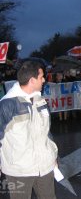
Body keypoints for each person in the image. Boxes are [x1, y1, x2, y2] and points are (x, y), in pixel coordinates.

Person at [0, 61, 58, 199]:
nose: (44, 80)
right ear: (32, 80)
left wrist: (53, 155)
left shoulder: (40, 100)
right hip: (19, 171)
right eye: (41, 77)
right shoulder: (7, 104)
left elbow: (46, 133)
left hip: (44, 167)